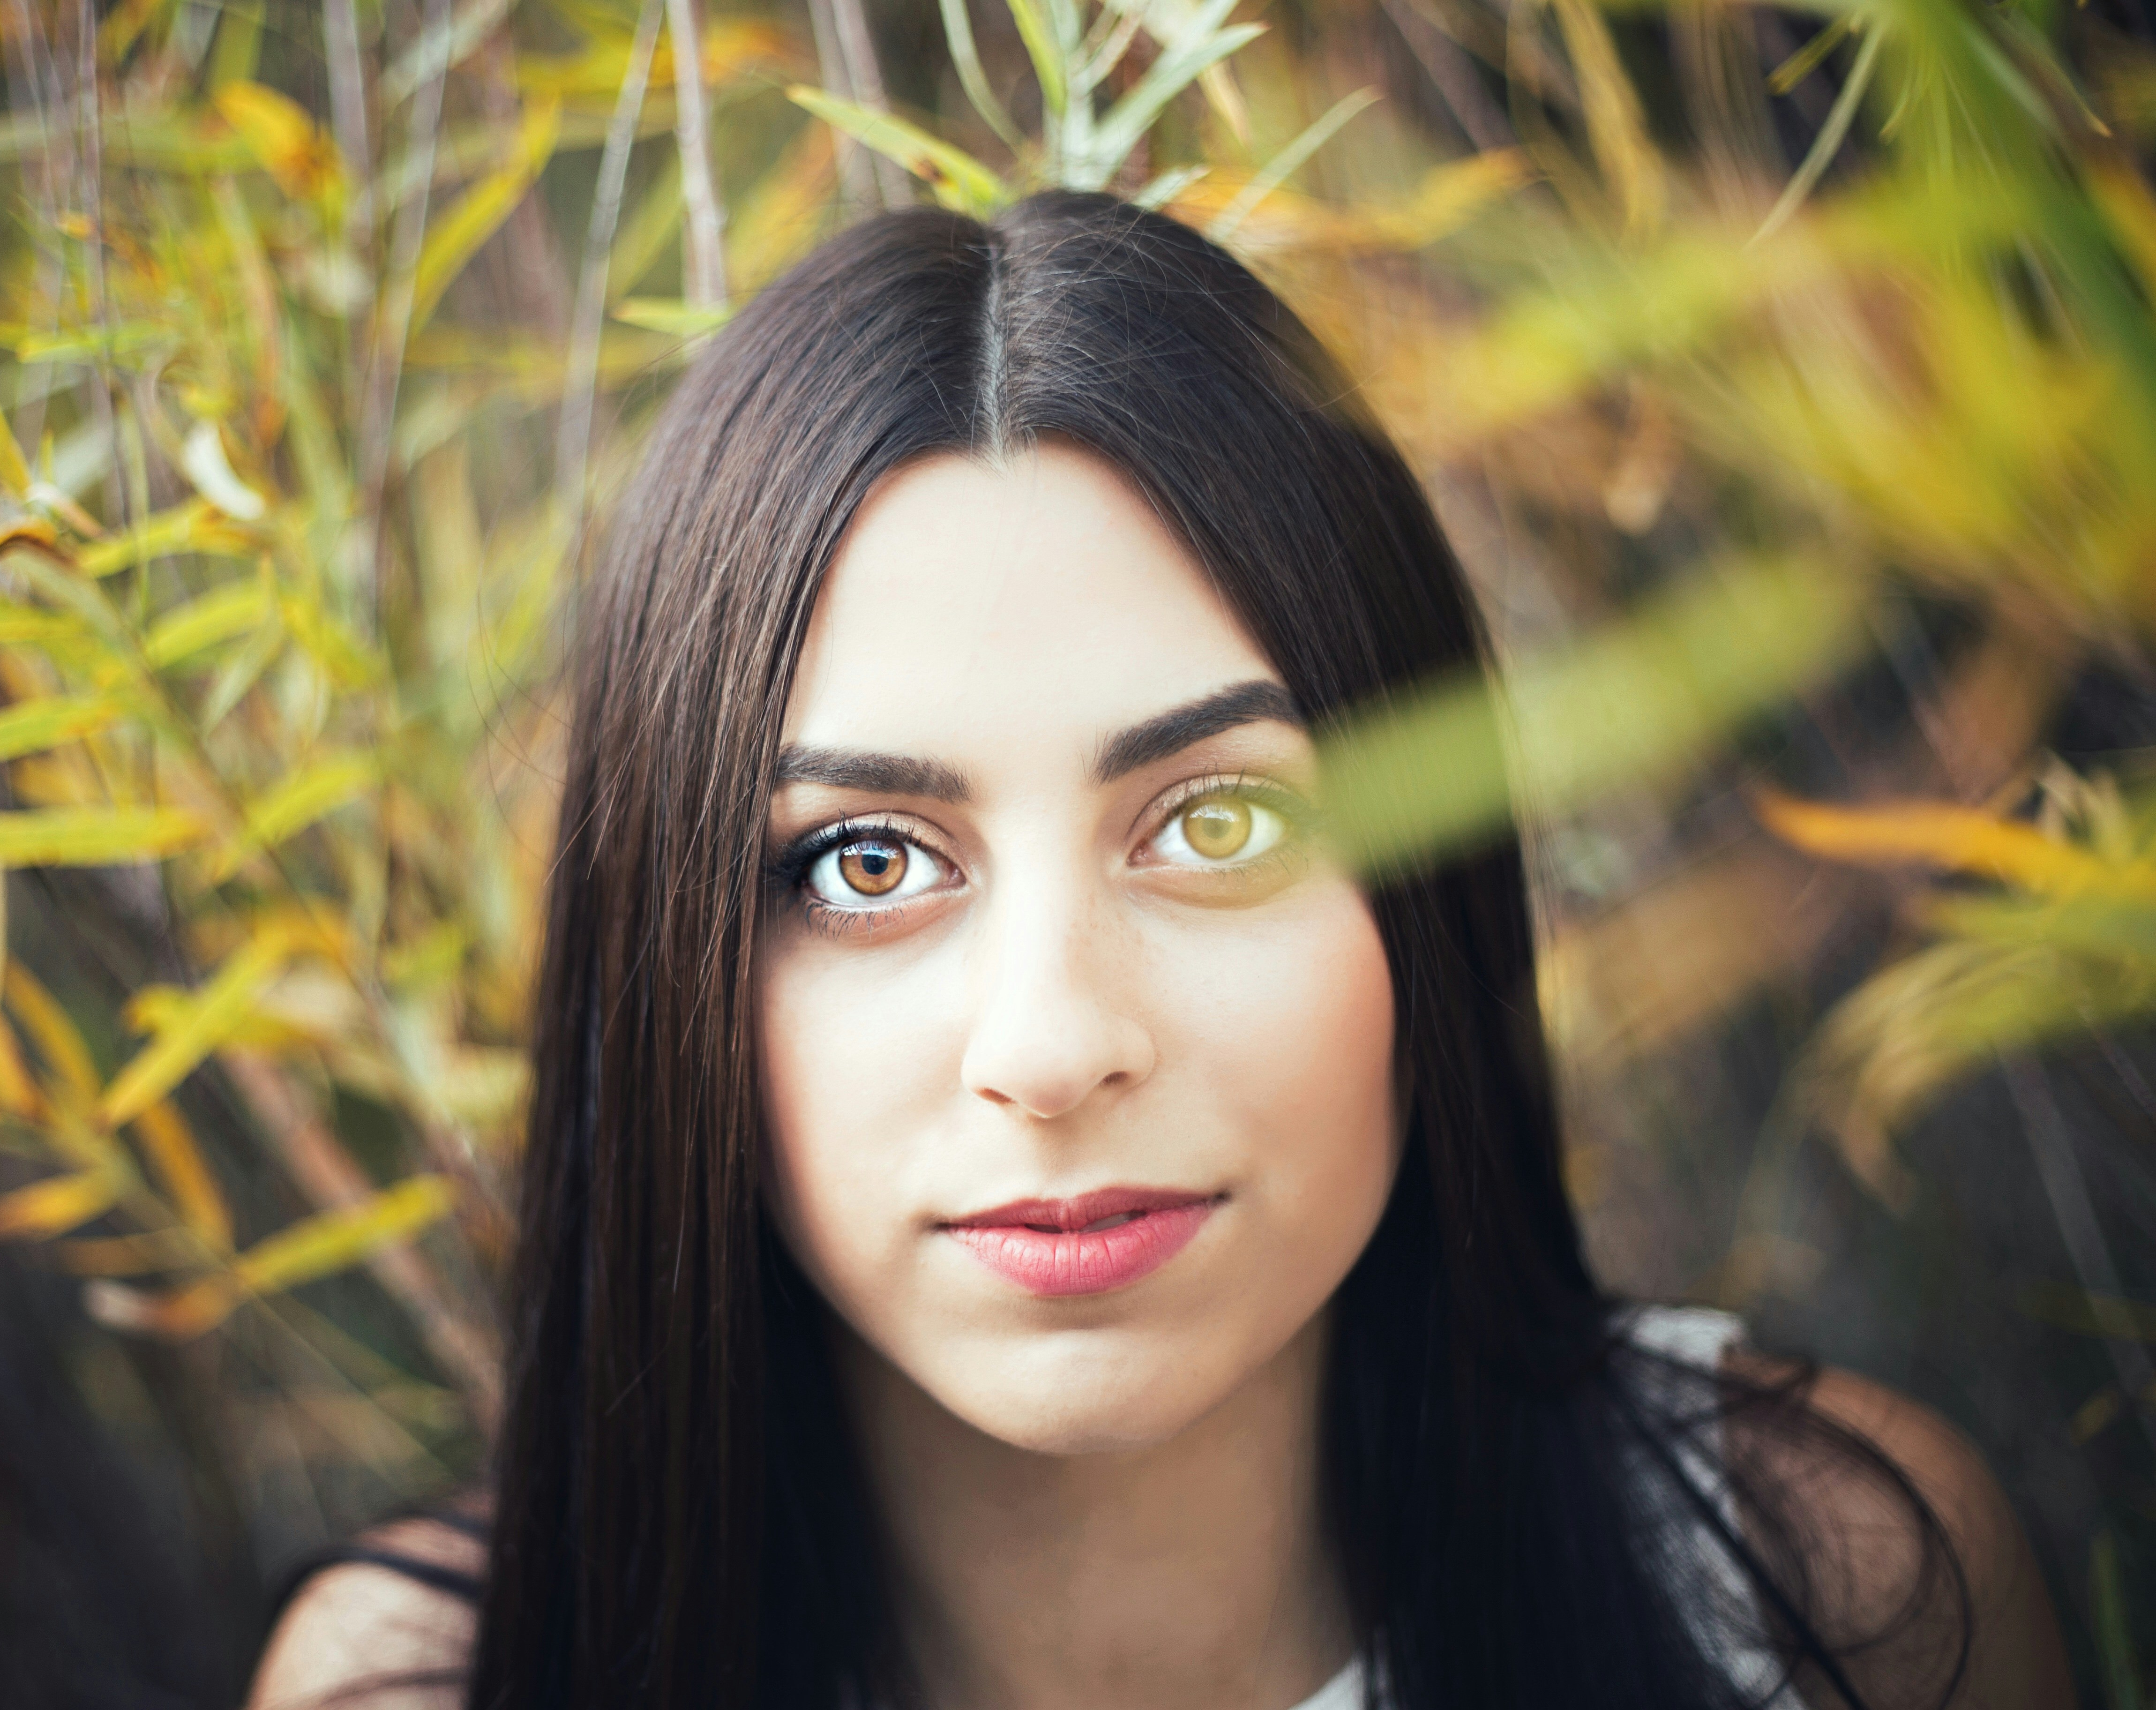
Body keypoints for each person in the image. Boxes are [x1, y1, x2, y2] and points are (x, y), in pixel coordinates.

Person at [248, 192, 2072, 1710]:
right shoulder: (420, 1687)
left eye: (1220, 827)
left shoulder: (1824, 1597)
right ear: (671, 968)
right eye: (869, 861)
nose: (1052, 1048)